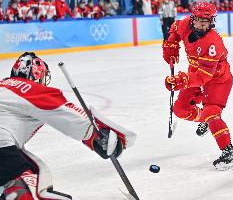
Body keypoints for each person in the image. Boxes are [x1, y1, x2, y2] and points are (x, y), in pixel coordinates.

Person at [0, 52, 135, 199]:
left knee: (30, 170)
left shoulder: (4, 85)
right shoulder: (26, 88)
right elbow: (60, 108)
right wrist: (95, 134)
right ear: (37, 75)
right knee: (22, 189)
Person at [162, 2, 233, 170]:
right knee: (180, 110)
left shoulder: (213, 42)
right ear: (193, 18)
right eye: (199, 20)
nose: (202, 24)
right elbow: (174, 28)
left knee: (212, 112)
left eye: (206, 21)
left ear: (211, 22)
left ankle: (229, 153)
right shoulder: (184, 25)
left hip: (218, 81)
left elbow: (204, 77)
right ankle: (205, 119)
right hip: (195, 74)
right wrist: (171, 45)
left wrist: (181, 81)